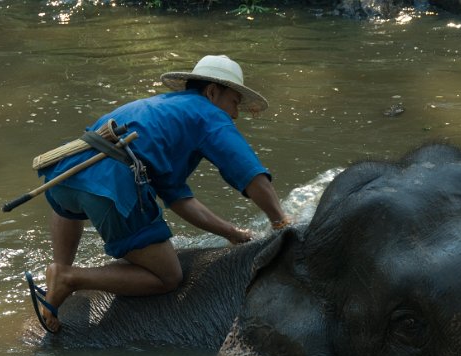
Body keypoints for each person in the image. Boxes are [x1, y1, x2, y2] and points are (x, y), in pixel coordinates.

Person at [26, 54, 291, 334]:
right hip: (110, 184)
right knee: (168, 276)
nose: (235, 114)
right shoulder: (209, 115)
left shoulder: (162, 108)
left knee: (69, 205)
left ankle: (57, 276)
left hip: (64, 174)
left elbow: (180, 200)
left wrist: (231, 233)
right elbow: (251, 175)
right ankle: (68, 278)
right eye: (235, 102)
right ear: (213, 92)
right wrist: (281, 222)